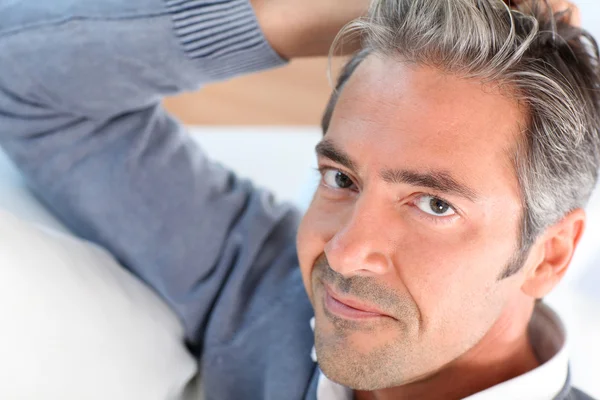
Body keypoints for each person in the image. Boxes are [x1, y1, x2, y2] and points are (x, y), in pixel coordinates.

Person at [0, 0, 597, 399]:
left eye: (434, 204)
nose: (344, 253)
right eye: (341, 179)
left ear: (549, 254)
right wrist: (358, 8)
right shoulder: (263, 296)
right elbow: (19, 75)